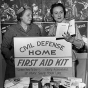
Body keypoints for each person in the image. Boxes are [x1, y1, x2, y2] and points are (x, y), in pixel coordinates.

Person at [1, 6, 41, 80]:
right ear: (21, 17)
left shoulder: (36, 28)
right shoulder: (12, 30)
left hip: (33, 67)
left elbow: (40, 45)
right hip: (15, 68)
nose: (31, 17)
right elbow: (4, 47)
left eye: (31, 15)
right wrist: (12, 58)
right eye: (28, 15)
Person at [48, 3, 85, 76]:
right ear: (52, 15)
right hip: (54, 62)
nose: (59, 15)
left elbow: (81, 44)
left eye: (61, 12)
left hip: (69, 61)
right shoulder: (52, 28)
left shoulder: (71, 25)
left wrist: (71, 40)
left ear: (64, 13)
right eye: (56, 13)